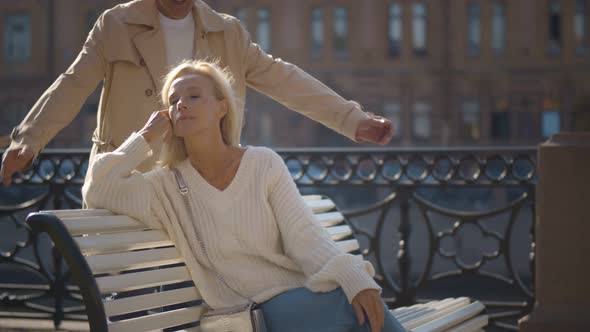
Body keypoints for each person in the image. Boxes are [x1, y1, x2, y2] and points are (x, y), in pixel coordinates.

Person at [82, 60, 405, 332]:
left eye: (194, 96)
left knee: (358, 298)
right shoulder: (162, 186)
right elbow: (99, 187)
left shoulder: (263, 163)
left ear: (222, 106)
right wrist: (146, 136)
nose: (181, 104)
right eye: (174, 100)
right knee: (352, 308)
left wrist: (353, 276)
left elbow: (304, 235)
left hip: (295, 298)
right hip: (244, 314)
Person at [1, 0, 394, 187]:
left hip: (202, 182)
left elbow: (282, 78)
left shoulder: (227, 32)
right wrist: (28, 140)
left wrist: (352, 119)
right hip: (128, 182)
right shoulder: (115, 25)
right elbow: (72, 84)